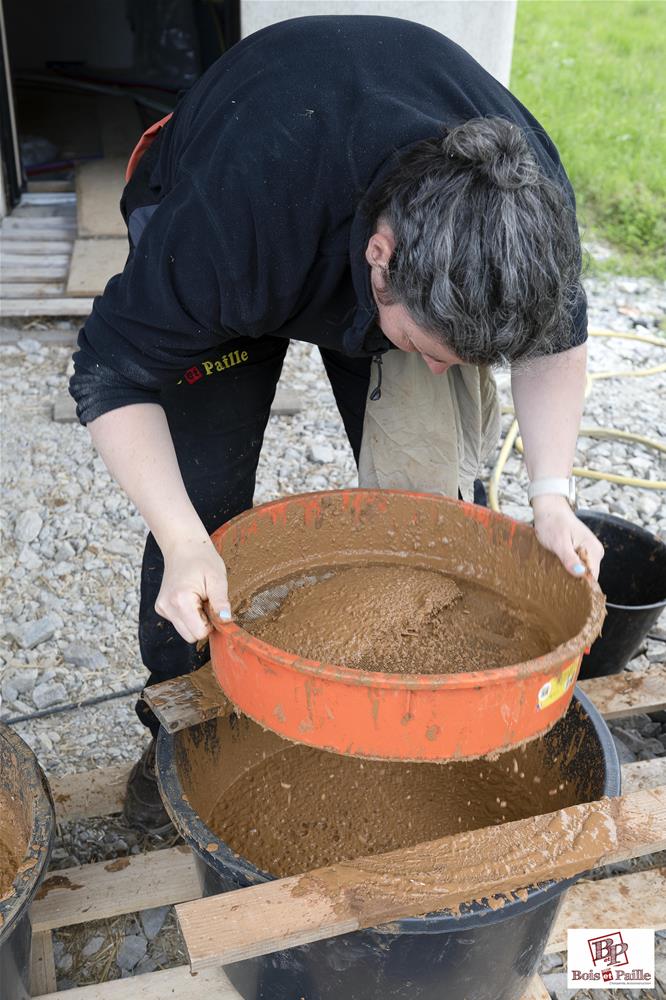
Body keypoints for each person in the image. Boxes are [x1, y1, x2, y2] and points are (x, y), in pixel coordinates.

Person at [69, 15, 604, 832]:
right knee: (202, 506)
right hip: (260, 187)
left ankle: (407, 705)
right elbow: (111, 371)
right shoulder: (231, 224)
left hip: (392, 243)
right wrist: (180, 538)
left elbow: (556, 348)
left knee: (436, 504)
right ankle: (180, 733)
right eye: (430, 349)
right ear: (381, 260)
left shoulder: (523, 214)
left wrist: (554, 494)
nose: (439, 371)